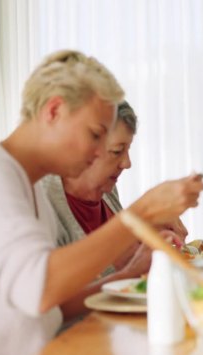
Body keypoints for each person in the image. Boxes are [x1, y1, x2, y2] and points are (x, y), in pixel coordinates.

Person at [0, 50, 203, 355]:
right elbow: (42, 288)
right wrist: (141, 213)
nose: (99, 152)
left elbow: (49, 308)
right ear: (54, 111)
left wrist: (128, 274)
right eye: (95, 135)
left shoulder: (28, 187)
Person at [39, 101, 187, 322]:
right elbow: (49, 307)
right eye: (117, 151)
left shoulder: (106, 190)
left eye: (127, 150)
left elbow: (125, 258)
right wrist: (127, 270)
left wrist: (146, 235)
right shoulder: (43, 201)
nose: (127, 163)